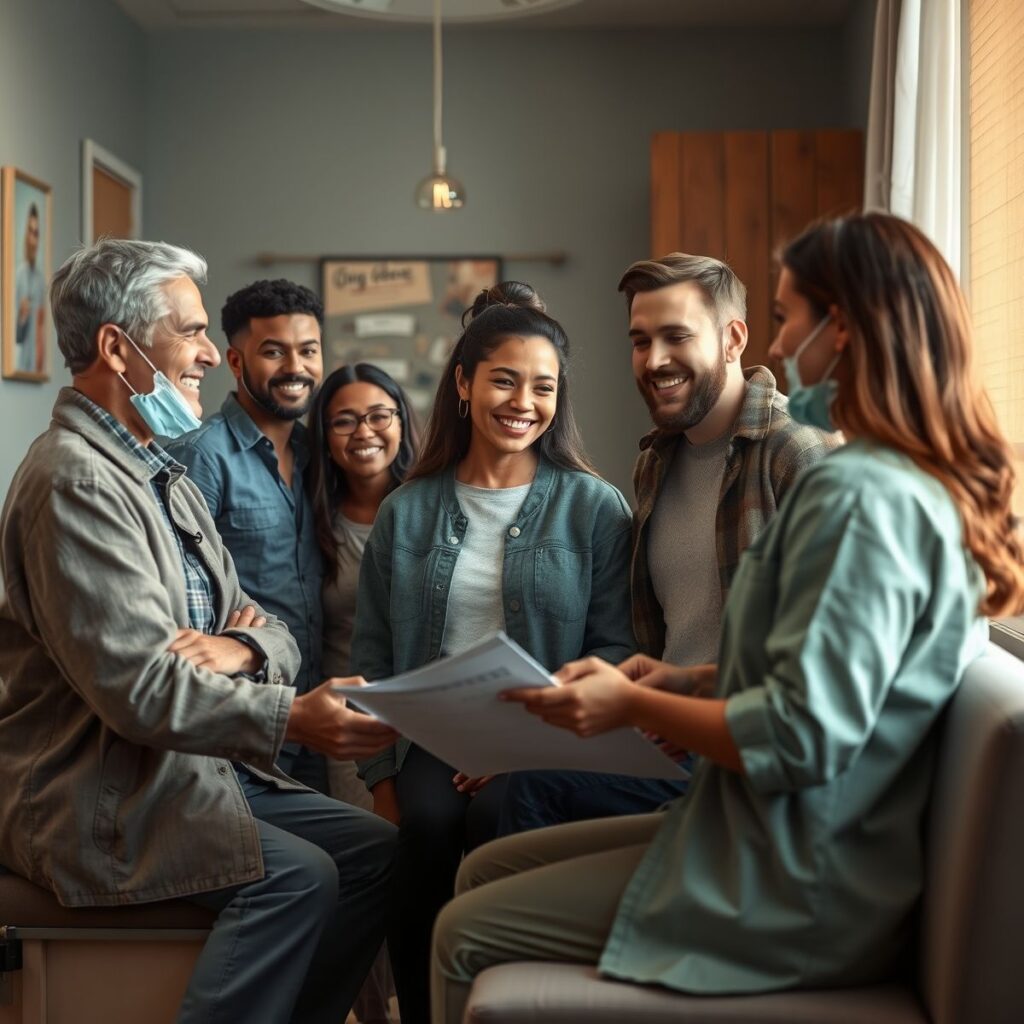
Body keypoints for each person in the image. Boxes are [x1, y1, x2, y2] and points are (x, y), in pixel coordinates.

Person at [430, 213, 1024, 1024]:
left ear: (843, 329)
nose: (779, 345)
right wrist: (678, 680)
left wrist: (631, 705)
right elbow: (826, 672)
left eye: (786, 318)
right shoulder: (886, 479)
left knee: (459, 931)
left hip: (793, 878)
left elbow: (803, 735)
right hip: (760, 826)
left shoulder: (850, 491)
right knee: (482, 870)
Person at [0, 239, 400, 1024]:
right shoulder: (74, 480)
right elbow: (141, 693)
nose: (213, 354)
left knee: (376, 853)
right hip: (104, 793)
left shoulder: (161, 474)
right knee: (301, 877)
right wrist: (292, 716)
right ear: (117, 348)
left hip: (190, 771)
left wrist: (241, 647)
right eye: (190, 332)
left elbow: (272, 625)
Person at [352, 281, 636, 1024]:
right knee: (425, 827)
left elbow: (616, 645)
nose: (523, 402)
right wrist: (381, 779)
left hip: (547, 733)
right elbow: (373, 653)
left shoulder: (595, 508)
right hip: (434, 736)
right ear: (464, 383)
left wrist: (531, 736)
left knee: (503, 818)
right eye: (504, 380)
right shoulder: (405, 511)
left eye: (543, 386)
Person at [496, 253, 839, 837]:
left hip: (737, 749)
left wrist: (658, 709)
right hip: (664, 734)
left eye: (676, 337)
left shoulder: (798, 454)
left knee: (527, 787)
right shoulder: (655, 462)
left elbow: (819, 672)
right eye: (640, 341)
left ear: (733, 339)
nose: (654, 360)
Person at [167, 279, 330, 792]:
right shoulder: (201, 455)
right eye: (274, 352)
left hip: (311, 708)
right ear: (236, 362)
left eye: (308, 351)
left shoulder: (317, 455)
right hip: (240, 715)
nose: (295, 367)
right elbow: (177, 592)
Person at [307, 362, 420, 1024]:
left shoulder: (431, 503)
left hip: (424, 712)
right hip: (349, 724)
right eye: (344, 420)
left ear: (402, 422)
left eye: (379, 415)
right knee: (363, 875)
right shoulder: (311, 519)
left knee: (424, 866)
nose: (364, 432)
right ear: (324, 436)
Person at [15, 201, 46, 374]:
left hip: (37, 363)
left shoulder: (41, 280)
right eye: (30, 232)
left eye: (37, 234)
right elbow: (16, 336)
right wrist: (22, 317)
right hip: (22, 362)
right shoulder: (19, 275)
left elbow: (42, 326)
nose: (33, 240)